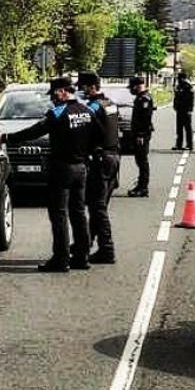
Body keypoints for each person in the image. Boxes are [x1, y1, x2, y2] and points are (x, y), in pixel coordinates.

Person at [0, 76, 101, 272]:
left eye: (53, 94)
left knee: (59, 214)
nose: (52, 99)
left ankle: (61, 260)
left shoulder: (58, 113)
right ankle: (82, 257)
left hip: (62, 169)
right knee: (78, 213)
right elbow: (98, 138)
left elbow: (34, 132)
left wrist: (5, 138)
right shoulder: (87, 111)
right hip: (81, 168)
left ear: (62, 91)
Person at [77, 71, 121, 264]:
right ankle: (87, 243)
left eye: (84, 86)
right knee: (99, 204)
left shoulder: (94, 107)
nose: (82, 90)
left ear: (92, 87)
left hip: (100, 159)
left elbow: (85, 132)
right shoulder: (110, 104)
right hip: (113, 157)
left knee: (97, 207)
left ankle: (106, 249)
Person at [127, 75, 155, 197]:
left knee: (142, 161)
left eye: (132, 87)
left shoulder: (144, 99)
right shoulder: (140, 98)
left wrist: (140, 135)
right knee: (140, 160)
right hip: (139, 133)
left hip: (142, 134)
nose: (131, 90)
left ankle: (143, 187)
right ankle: (141, 185)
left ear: (138, 86)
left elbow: (145, 119)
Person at [172, 69, 195, 151]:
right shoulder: (179, 86)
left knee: (187, 128)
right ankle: (179, 144)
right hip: (179, 109)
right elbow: (176, 97)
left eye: (179, 78)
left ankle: (189, 144)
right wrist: (175, 106)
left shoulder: (188, 86)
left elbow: (191, 99)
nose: (178, 80)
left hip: (186, 110)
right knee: (179, 128)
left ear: (183, 78)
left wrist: (190, 109)